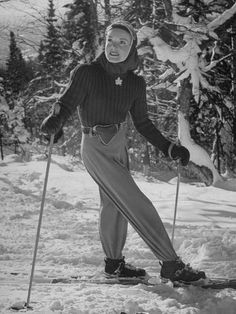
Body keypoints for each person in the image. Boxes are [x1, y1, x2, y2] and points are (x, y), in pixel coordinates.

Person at [41, 20, 206, 283]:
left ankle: (113, 264)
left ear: (131, 48)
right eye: (110, 41)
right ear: (103, 43)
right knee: (136, 203)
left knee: (113, 205)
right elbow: (66, 103)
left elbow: (143, 123)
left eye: (122, 42)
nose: (114, 47)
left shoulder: (135, 83)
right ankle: (170, 263)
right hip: (95, 146)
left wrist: (169, 147)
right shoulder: (87, 73)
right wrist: (55, 122)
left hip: (119, 145)